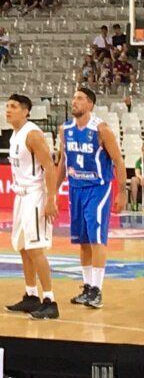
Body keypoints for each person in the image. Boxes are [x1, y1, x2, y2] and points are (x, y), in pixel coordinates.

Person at [57, 87, 126, 310]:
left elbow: (119, 161)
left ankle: (97, 290)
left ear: (90, 104)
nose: (74, 101)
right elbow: (62, 163)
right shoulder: (65, 129)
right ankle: (87, 287)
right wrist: (52, 193)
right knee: (83, 241)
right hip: (76, 188)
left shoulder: (101, 129)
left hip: (98, 187)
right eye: (73, 97)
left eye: (79, 98)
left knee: (97, 239)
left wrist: (122, 192)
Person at [3, 94, 60, 320]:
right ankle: (31, 295)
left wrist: (51, 199)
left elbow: (49, 167)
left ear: (26, 111)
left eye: (14, 107)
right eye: (7, 106)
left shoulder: (33, 134)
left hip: (35, 195)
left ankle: (50, 300)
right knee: (23, 248)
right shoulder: (15, 135)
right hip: (20, 196)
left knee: (36, 249)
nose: (8, 110)